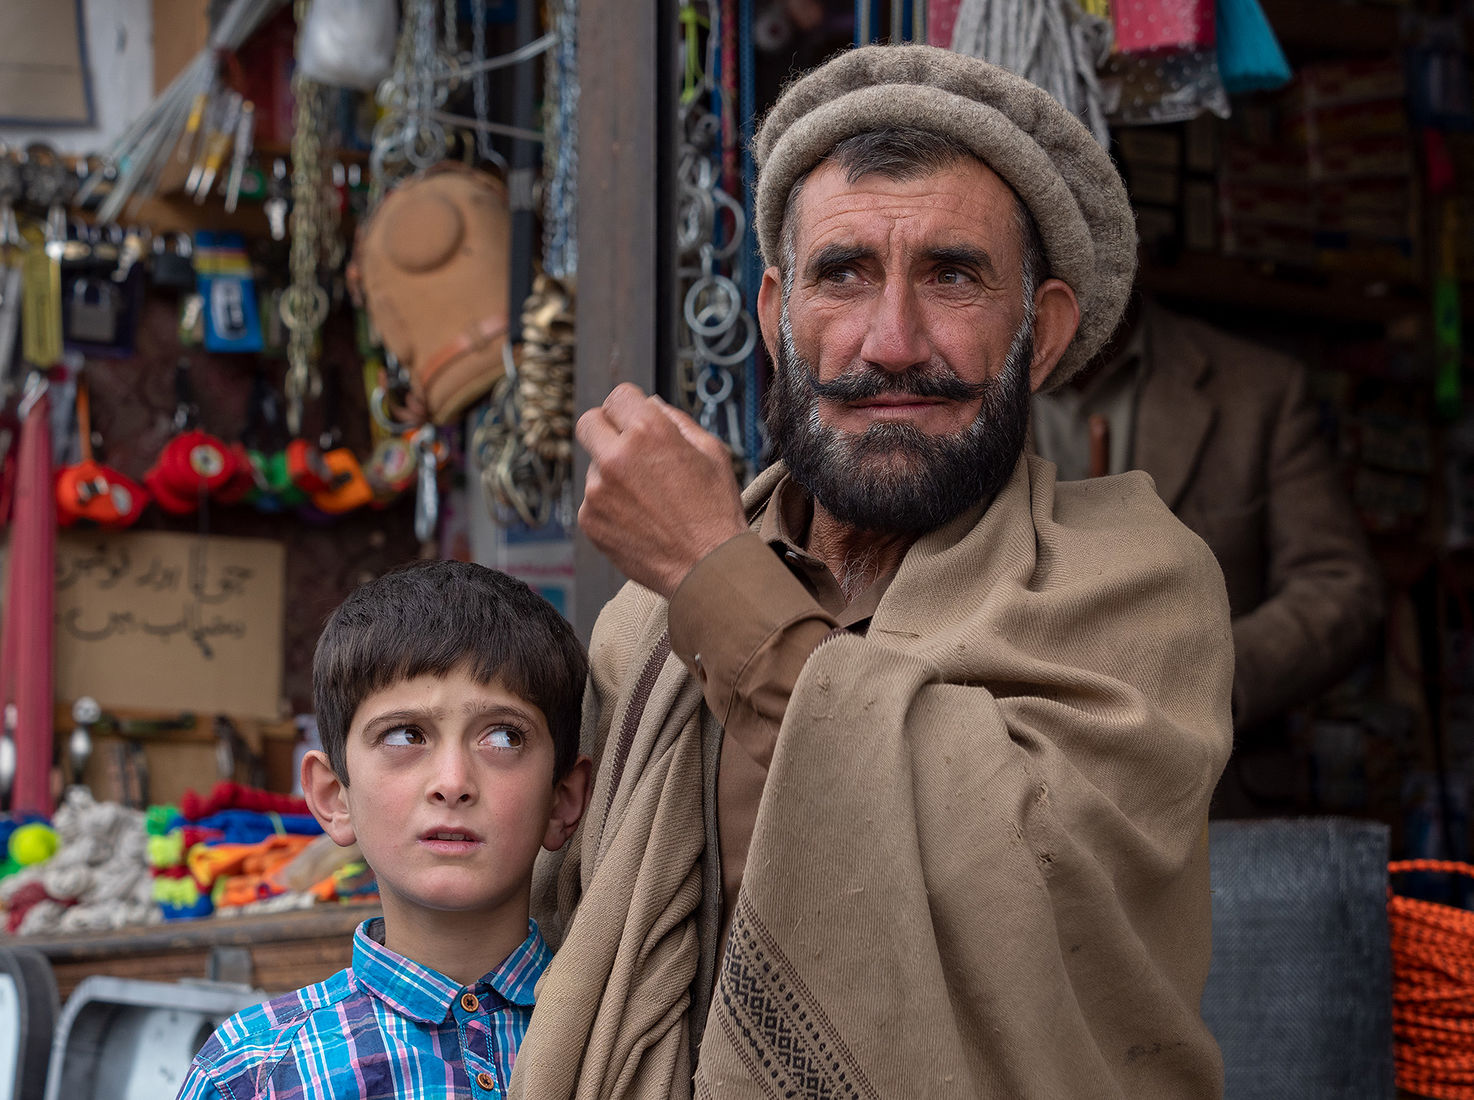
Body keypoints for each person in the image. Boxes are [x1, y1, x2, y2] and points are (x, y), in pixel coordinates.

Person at [513, 43, 1235, 1100]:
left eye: (952, 275)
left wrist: (716, 575)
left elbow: (1007, 880)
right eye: (842, 274)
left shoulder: (1135, 583)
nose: (891, 341)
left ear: (1040, 334)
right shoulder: (649, 624)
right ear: (774, 319)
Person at [177, 560, 591, 1100]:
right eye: (404, 736)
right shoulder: (252, 1075)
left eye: (504, 738)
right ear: (333, 797)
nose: (453, 783)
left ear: (564, 799)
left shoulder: (630, 1032)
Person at [1032, 294, 1384, 811]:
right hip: (1013, 793)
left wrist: (1201, 678)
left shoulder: (1258, 388)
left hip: (1214, 796)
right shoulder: (962, 377)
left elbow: (1340, 586)